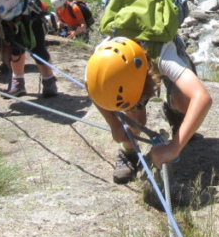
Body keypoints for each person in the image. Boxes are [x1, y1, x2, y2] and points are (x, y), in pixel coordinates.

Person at [85, 35, 212, 184]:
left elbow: (202, 97)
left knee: (185, 102)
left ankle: (172, 106)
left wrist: (173, 148)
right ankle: (129, 151)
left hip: (160, 48)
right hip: (134, 68)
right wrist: (114, 124)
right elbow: (92, 90)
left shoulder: (164, 55)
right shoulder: (98, 63)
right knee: (135, 120)